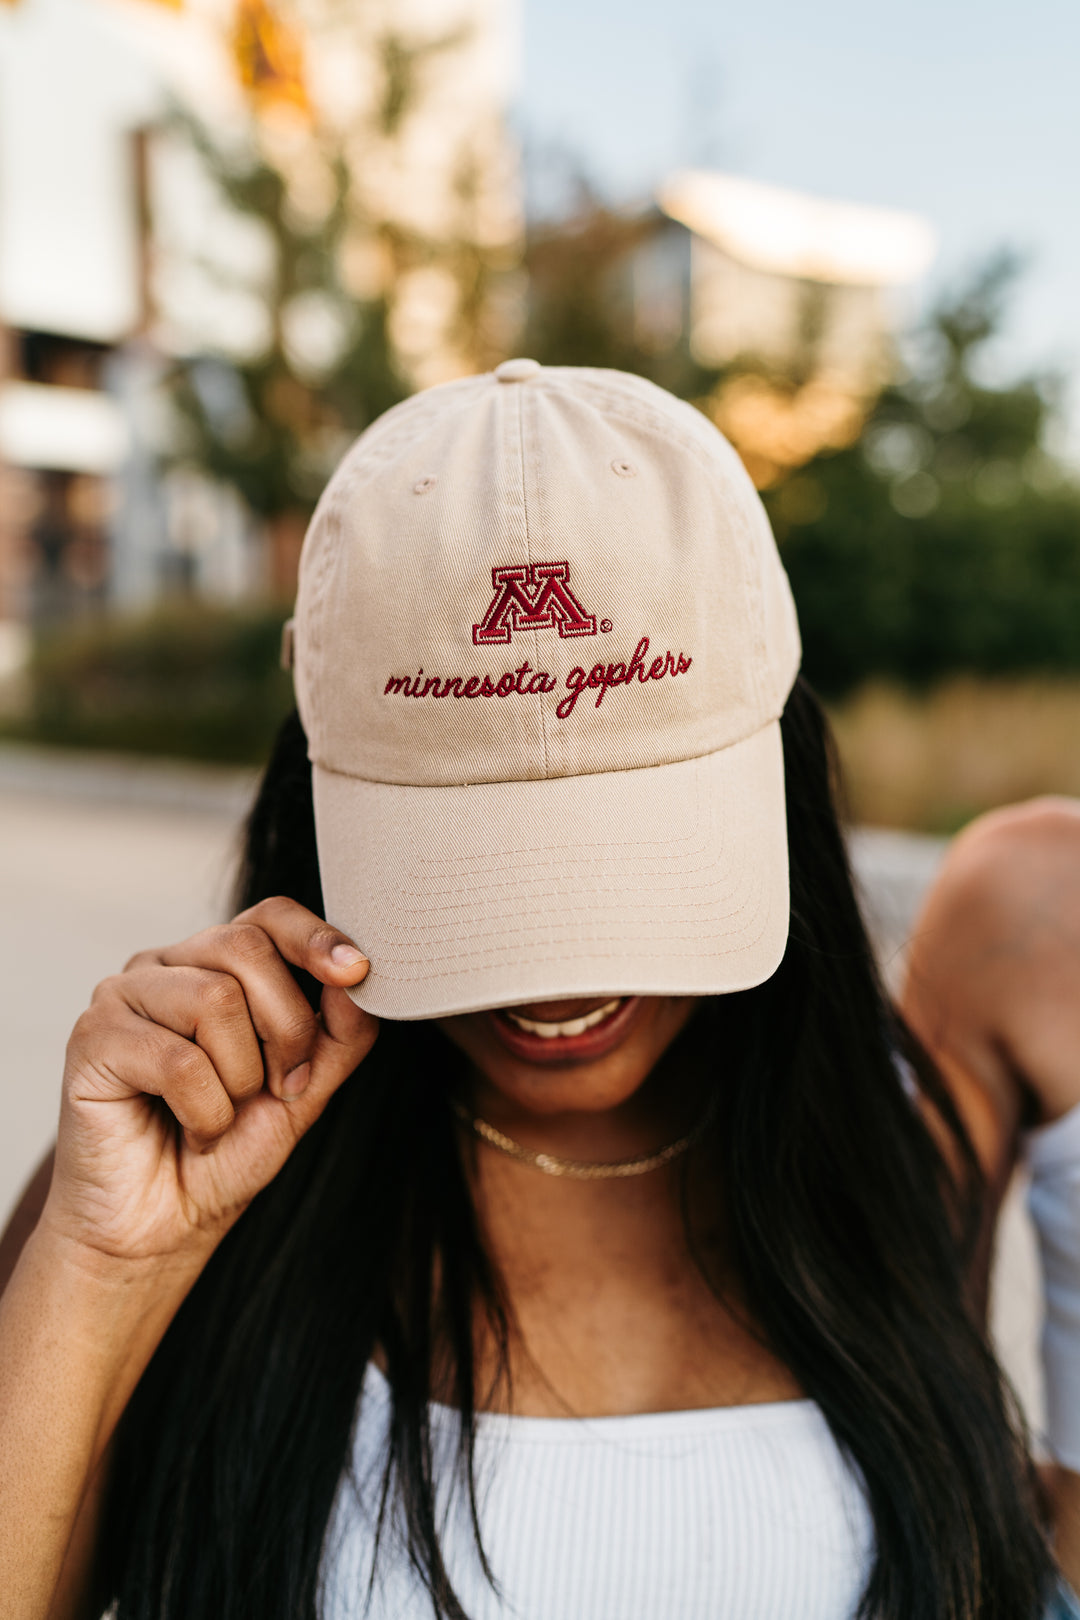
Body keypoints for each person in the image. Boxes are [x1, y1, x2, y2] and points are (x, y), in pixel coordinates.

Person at [0, 362, 1077, 1620]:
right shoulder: (182, 1177)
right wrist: (106, 1261)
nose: (559, 974)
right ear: (319, 790)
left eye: (630, 852)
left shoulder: (888, 1153)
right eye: (472, 870)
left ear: (774, 758)